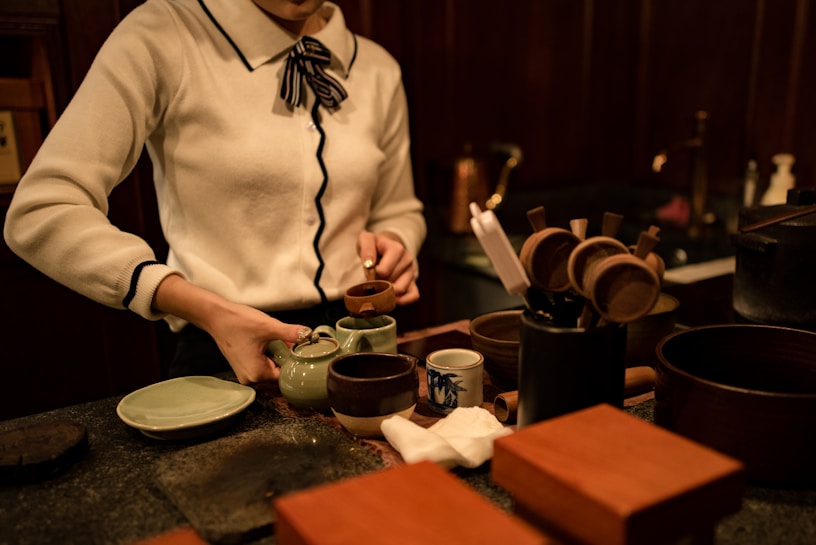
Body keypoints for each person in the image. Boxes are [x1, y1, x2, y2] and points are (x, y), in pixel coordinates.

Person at [3, 0, 426, 386]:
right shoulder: (164, 33)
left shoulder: (377, 68)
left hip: (362, 344)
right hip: (220, 347)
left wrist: (396, 244)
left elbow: (398, 208)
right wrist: (198, 305)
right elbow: (42, 208)